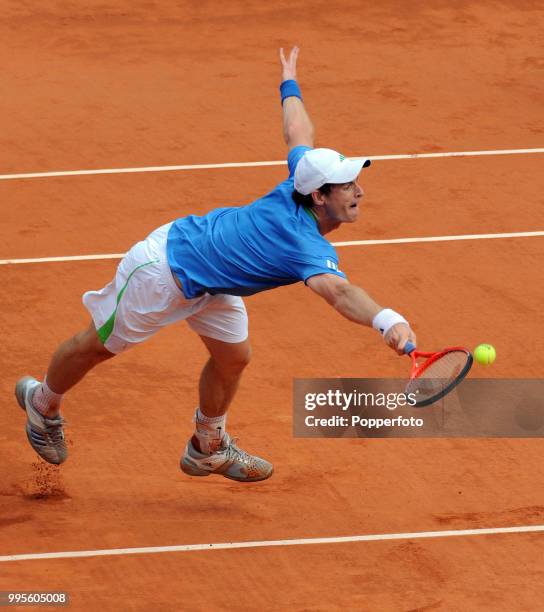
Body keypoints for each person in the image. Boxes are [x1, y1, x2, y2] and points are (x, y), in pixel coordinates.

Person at [15, 47, 416, 482]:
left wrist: (289, 82)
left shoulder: (300, 179)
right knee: (96, 346)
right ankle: (43, 404)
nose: (358, 192)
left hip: (214, 283)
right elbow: (338, 291)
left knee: (233, 358)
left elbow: (298, 132)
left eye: (355, 182)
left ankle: (207, 446)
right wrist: (386, 320)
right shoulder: (301, 243)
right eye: (346, 186)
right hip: (164, 271)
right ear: (319, 196)